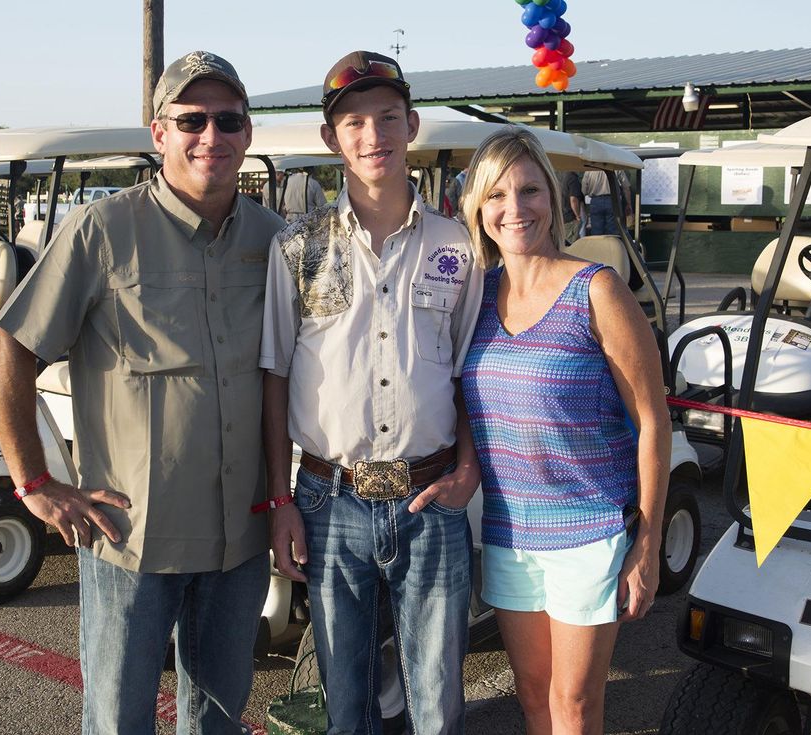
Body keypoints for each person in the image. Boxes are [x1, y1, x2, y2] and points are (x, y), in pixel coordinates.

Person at [0, 49, 285, 734]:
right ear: (159, 133)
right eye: (192, 120)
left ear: (248, 134)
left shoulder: (274, 240)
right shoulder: (103, 231)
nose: (212, 136)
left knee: (216, 719)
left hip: (239, 539)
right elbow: (8, 346)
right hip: (132, 538)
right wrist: (34, 481)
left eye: (229, 120)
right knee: (118, 720)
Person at [261, 50, 485, 734]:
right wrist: (280, 501)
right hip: (330, 500)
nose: (372, 134)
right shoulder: (297, 246)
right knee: (345, 696)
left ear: (412, 125)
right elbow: (273, 377)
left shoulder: (458, 245)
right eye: (353, 121)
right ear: (331, 138)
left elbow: (469, 370)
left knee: (437, 697)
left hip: (431, 496)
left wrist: (468, 469)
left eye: (388, 117)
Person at [460, 127, 671, 734]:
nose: (514, 208)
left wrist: (648, 546)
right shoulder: (475, 297)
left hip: (590, 534)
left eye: (529, 190)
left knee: (575, 705)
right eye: (496, 194)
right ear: (477, 207)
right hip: (509, 532)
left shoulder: (596, 290)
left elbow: (654, 421)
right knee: (532, 698)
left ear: (554, 198)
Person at [581, 169, 631, 236]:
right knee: (612, 232)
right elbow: (626, 187)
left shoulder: (589, 170)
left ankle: (598, 245)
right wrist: (628, 204)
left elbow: (584, 190)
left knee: (596, 232)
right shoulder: (616, 167)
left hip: (596, 202)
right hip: (612, 201)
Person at [559, 170, 584, 244]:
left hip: (561, 216)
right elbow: (573, 199)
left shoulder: (560, 176)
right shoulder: (573, 178)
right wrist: (578, 215)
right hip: (570, 217)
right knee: (572, 244)